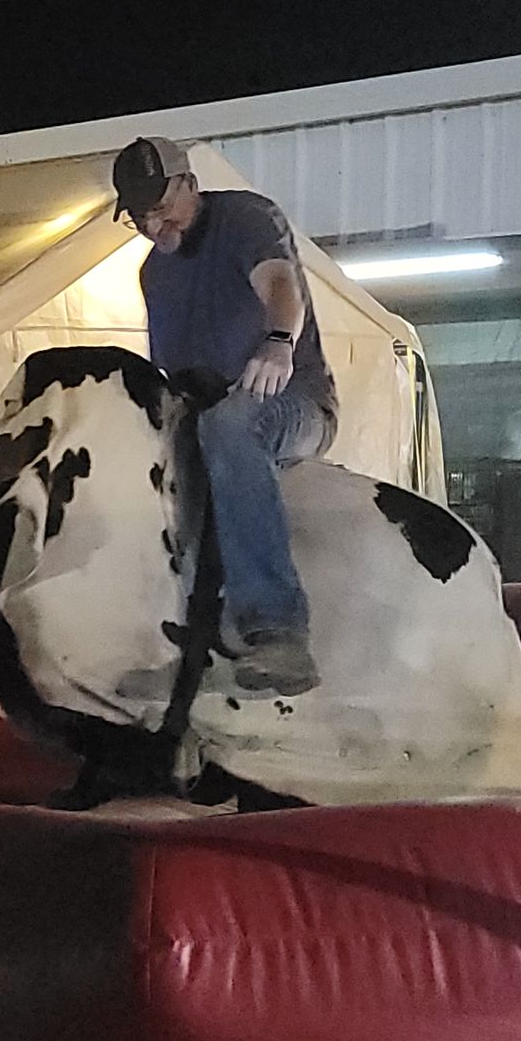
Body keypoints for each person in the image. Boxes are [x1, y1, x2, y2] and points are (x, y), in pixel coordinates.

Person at [113, 135, 337, 696]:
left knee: (230, 425)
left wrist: (280, 341)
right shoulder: (153, 275)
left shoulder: (245, 218)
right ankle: (178, 642)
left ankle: (279, 631)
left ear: (190, 184)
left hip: (292, 401)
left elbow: (279, 284)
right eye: (139, 216)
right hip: (207, 409)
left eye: (161, 209)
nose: (152, 227)